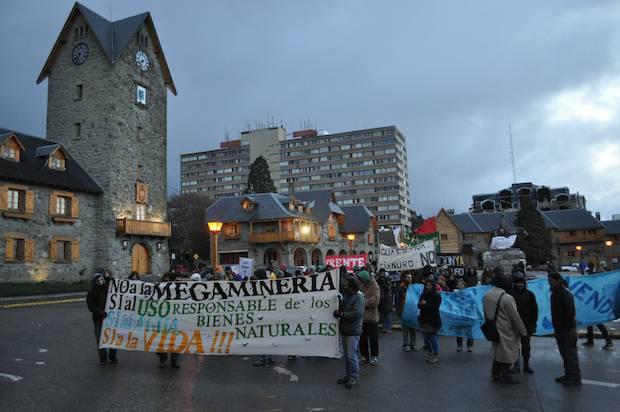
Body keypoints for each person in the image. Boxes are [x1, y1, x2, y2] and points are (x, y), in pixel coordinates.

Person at [483, 275, 527, 384]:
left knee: (498, 351)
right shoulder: (507, 297)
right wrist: (523, 331)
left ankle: (495, 373)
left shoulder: (487, 295)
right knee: (508, 353)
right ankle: (505, 375)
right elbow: (514, 316)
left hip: (493, 327)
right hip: (506, 329)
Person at [549, 271, 582, 386]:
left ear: (557, 280)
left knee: (570, 353)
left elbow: (570, 312)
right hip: (559, 328)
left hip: (567, 329)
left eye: (551, 281)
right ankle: (568, 374)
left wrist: (567, 328)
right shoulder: (555, 293)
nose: (550, 283)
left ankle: (575, 377)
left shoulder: (564, 293)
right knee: (564, 353)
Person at [334, 276, 365, 389]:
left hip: (353, 330)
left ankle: (354, 378)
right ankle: (349, 376)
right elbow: (343, 306)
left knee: (352, 356)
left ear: (352, 287)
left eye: (346, 285)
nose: (344, 287)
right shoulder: (348, 295)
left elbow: (357, 314)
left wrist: (342, 315)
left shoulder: (359, 297)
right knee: (347, 356)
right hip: (346, 329)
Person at [87, 273, 118, 365]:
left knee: (112, 337)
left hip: (111, 318)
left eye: (101, 279)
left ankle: (113, 356)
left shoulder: (108, 289)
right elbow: (90, 306)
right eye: (97, 280)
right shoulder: (91, 292)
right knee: (100, 339)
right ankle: (103, 358)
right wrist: (99, 311)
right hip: (98, 319)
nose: (100, 282)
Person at [510, 273, 538, 374]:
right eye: (518, 283)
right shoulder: (511, 295)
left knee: (526, 346)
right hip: (513, 325)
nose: (519, 285)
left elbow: (534, 310)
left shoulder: (530, 295)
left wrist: (533, 324)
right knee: (514, 347)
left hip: (526, 325)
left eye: (521, 283)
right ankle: (516, 365)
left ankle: (526, 365)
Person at [582, 263, 613, 350]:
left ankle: (608, 341)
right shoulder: (594, 286)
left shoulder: (595, 286)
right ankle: (590, 341)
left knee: (599, 324)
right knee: (589, 324)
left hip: (594, 308)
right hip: (591, 308)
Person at [156, 272, 180, 368]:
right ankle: (163, 358)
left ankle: (174, 360)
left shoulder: (180, 288)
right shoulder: (159, 287)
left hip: (176, 319)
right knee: (161, 340)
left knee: (176, 341)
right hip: (163, 318)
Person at [357, 269, 380, 365]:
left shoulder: (375, 287)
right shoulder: (361, 285)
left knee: (373, 339)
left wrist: (362, 302)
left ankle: (374, 356)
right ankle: (364, 356)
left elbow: (375, 301)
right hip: (362, 317)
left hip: (371, 317)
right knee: (362, 338)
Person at [418, 278, 442, 364]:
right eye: (427, 285)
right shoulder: (423, 295)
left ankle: (435, 355)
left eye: (430, 285)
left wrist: (426, 304)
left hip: (433, 320)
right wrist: (421, 304)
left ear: (433, 286)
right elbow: (419, 305)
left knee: (432, 337)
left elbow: (435, 307)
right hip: (424, 319)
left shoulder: (437, 296)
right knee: (425, 338)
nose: (428, 287)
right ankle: (430, 353)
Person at [396, 272, 417, 351]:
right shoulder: (401, 288)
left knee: (413, 328)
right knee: (405, 329)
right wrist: (399, 311)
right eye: (408, 277)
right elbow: (398, 300)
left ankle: (413, 344)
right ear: (404, 278)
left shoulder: (413, 287)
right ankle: (406, 344)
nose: (410, 279)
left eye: (410, 277)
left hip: (412, 311)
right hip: (404, 310)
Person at [455, 278, 474, 353]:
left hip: (468, 315)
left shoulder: (469, 294)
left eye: (461, 285)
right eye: (458, 285)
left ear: (464, 286)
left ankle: (469, 346)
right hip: (459, 315)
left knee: (469, 331)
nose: (460, 286)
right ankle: (459, 346)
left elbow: (472, 303)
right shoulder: (455, 294)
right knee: (459, 331)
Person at [376, 269, 394, 333]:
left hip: (387, 298)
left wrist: (384, 283)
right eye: (380, 273)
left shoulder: (387, 279)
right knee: (383, 314)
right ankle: (384, 327)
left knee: (388, 314)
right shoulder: (379, 279)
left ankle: (388, 328)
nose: (381, 274)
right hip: (381, 298)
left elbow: (388, 288)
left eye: (382, 273)